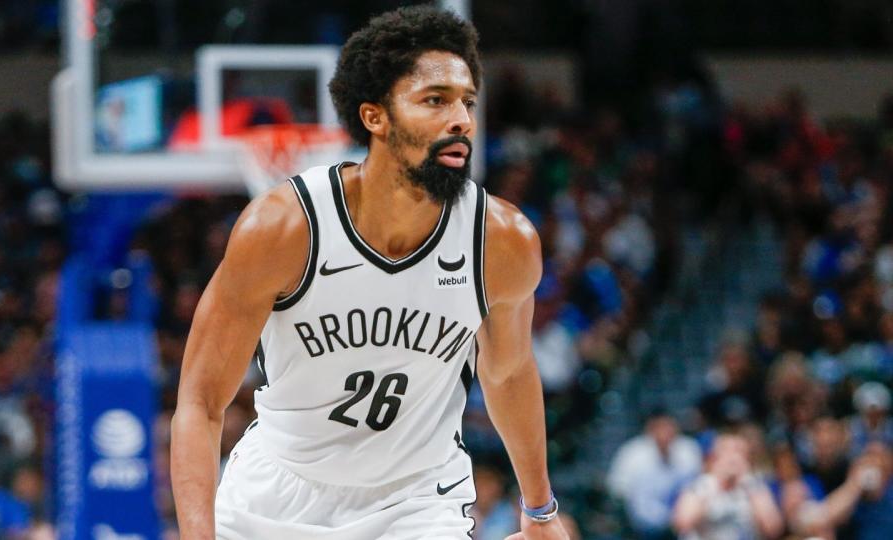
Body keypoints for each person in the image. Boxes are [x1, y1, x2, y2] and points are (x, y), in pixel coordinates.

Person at [170, 6, 570, 540]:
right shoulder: (284, 229)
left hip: (416, 499)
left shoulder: (503, 240)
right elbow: (199, 402)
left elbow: (509, 372)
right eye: (436, 100)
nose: (462, 121)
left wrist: (540, 512)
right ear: (375, 116)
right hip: (278, 492)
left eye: (467, 102)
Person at [607, 408, 701, 540]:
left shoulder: (689, 450)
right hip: (641, 527)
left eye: (668, 427)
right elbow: (619, 491)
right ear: (650, 429)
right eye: (660, 427)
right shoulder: (632, 453)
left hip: (681, 523)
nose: (665, 432)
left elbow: (697, 487)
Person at [672, 432, 783, 540]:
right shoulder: (700, 485)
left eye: (738, 452)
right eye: (727, 451)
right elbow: (682, 524)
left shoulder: (755, 486)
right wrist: (716, 483)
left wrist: (749, 485)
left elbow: (772, 530)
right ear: (714, 457)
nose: (733, 457)